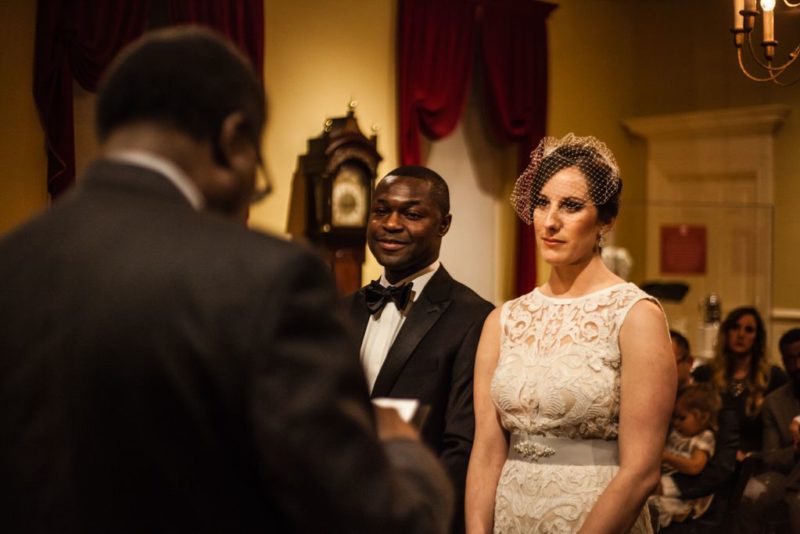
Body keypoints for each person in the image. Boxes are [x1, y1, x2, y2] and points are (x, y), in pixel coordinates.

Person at [0, 27, 453, 533]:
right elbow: (376, 518)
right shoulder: (269, 279)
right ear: (232, 138)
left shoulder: (13, 261)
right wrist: (399, 448)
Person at [465, 133, 675, 533]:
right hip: (512, 516)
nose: (550, 220)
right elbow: (486, 453)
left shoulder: (635, 315)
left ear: (607, 220)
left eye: (571, 206)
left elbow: (642, 471)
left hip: (595, 518)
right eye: (542, 202)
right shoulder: (504, 320)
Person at [345, 165, 494, 533]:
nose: (391, 224)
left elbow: (463, 446)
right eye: (381, 211)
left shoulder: (474, 318)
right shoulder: (339, 310)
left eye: (412, 214)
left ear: (444, 225)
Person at [692, 307, 788, 459]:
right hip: (710, 458)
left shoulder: (773, 377)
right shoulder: (705, 374)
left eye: (749, 330)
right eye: (735, 327)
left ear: (757, 338)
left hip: (754, 461)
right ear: (726, 332)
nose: (741, 334)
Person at [733, 328, 800, 533]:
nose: (798, 365)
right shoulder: (774, 402)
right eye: (790, 359)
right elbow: (771, 457)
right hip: (788, 474)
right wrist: (796, 451)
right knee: (751, 492)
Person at [649, 384, 722, 529]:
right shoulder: (677, 433)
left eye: (682, 418)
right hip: (666, 478)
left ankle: (677, 515)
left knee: (649, 500)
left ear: (703, 417)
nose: (676, 423)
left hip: (683, 486)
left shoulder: (703, 437)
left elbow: (695, 466)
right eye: (674, 417)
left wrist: (667, 457)